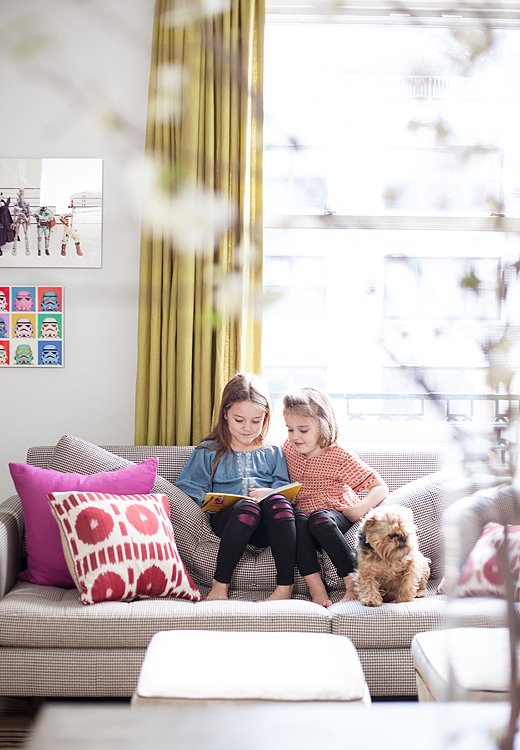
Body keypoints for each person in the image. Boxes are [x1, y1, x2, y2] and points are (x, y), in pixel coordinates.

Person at [176, 372, 297, 602]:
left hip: (267, 527)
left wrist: (271, 493)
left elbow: (283, 487)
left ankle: (285, 587)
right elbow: (189, 487)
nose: (247, 428)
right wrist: (211, 501)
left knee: (278, 501)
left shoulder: (273, 451)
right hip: (231, 521)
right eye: (239, 420)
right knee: (246, 508)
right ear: (225, 415)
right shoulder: (208, 451)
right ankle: (220, 584)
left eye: (256, 421)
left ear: (266, 418)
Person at [283, 387, 389, 607]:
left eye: (303, 430)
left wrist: (356, 510)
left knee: (318, 519)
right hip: (303, 516)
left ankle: (352, 583)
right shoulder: (287, 449)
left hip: (334, 514)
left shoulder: (339, 456)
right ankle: (317, 590)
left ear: (323, 426)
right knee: (299, 521)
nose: (294, 437)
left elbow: (379, 487)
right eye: (289, 429)